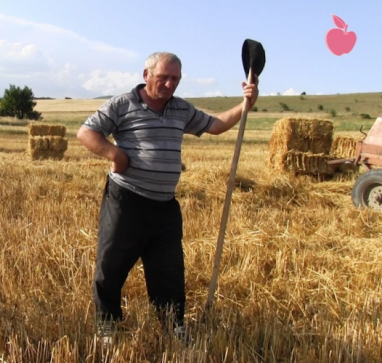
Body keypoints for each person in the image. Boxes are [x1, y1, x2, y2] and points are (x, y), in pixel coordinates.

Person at [77, 52, 258, 341]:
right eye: (163, 77)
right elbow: (86, 133)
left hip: (165, 205)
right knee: (111, 265)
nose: (170, 84)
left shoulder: (181, 109)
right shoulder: (122, 104)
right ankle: (107, 325)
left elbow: (216, 125)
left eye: (175, 79)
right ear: (146, 74)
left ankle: (174, 326)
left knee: (169, 271)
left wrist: (246, 103)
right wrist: (115, 154)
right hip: (126, 200)